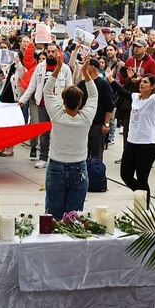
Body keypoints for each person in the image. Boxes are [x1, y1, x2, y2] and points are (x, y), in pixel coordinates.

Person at [107, 59, 155, 207]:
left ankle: (144, 206)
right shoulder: (135, 97)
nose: (142, 84)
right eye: (142, 81)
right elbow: (122, 91)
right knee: (125, 175)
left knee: (142, 178)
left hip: (147, 144)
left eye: (145, 82)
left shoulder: (153, 100)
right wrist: (110, 78)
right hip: (132, 142)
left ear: (151, 87)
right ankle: (141, 195)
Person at [44, 57, 97, 220]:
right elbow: (94, 95)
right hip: (78, 168)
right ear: (81, 102)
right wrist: (85, 74)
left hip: (56, 166)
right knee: (73, 217)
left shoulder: (57, 115)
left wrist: (58, 68)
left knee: (53, 215)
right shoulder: (86, 118)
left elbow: (47, 91)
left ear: (63, 100)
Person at [18, 43, 73, 169]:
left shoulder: (64, 69)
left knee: (58, 132)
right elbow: (32, 86)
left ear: (59, 53)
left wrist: (68, 105)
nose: (51, 54)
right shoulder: (40, 67)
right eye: (49, 51)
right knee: (44, 132)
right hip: (42, 104)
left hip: (58, 105)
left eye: (53, 51)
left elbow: (69, 87)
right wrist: (23, 100)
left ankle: (56, 157)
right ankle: (43, 157)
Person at [77, 58, 113, 160]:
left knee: (96, 156)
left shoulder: (103, 84)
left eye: (85, 65)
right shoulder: (82, 84)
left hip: (97, 125)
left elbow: (109, 106)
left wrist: (106, 124)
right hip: (83, 124)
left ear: (91, 67)